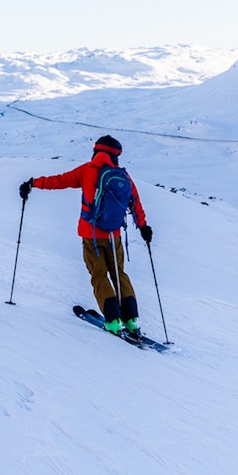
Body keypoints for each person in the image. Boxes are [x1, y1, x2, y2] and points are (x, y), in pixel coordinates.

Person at [19, 135, 153, 336]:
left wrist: (33, 183)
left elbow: (59, 181)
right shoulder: (122, 175)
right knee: (119, 275)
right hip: (114, 235)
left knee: (99, 276)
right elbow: (136, 203)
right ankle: (132, 320)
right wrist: (143, 227)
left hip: (92, 237)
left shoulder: (87, 170)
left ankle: (113, 321)